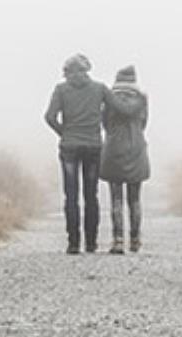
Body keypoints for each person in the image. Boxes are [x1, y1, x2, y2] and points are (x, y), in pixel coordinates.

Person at [44, 54, 119, 254]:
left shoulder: (61, 89)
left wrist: (64, 132)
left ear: (67, 71)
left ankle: (73, 243)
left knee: (71, 195)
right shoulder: (100, 88)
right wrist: (101, 124)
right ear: (87, 69)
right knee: (91, 195)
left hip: (69, 147)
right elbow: (116, 110)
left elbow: (49, 117)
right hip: (93, 146)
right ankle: (92, 243)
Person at [100, 65, 150, 253]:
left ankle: (118, 240)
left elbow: (104, 123)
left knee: (116, 198)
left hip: (114, 149)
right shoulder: (142, 99)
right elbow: (144, 123)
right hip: (136, 148)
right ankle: (135, 239)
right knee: (135, 199)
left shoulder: (109, 100)